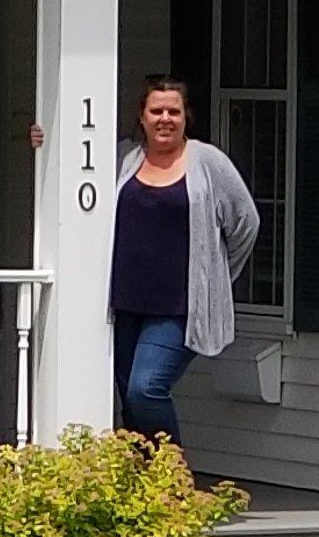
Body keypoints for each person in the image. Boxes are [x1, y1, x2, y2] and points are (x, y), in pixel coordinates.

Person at [108, 77, 261, 445]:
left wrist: (217, 276)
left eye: (173, 111)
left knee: (145, 388)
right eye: (156, 110)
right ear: (142, 116)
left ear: (185, 116)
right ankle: (144, 477)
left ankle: (174, 474)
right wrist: (42, 141)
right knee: (130, 401)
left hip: (179, 309)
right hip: (127, 303)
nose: (165, 118)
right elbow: (72, 169)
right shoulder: (123, 158)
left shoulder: (207, 161)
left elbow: (246, 222)